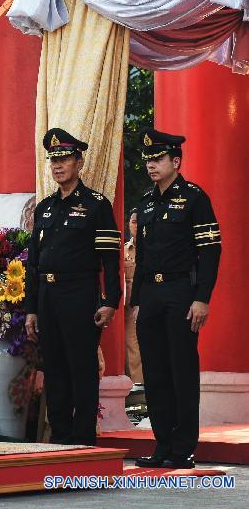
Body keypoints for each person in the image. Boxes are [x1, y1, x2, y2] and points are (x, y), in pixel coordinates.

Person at [24, 128, 121, 446]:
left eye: (64, 159)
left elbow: (110, 259)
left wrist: (109, 301)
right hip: (47, 296)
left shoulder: (96, 205)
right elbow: (33, 264)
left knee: (81, 365)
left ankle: (83, 438)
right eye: (53, 160)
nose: (58, 166)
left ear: (79, 162)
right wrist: (31, 309)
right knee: (54, 366)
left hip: (79, 294)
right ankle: (61, 436)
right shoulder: (45, 208)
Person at [132, 128, 221, 470]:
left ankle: (183, 448)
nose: (151, 166)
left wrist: (202, 298)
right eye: (148, 161)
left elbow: (210, 252)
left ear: (176, 161)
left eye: (158, 159)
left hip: (181, 293)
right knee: (154, 373)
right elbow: (142, 255)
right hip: (151, 295)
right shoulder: (147, 202)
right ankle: (163, 444)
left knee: (181, 370)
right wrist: (137, 299)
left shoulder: (195, 198)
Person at [123, 209, 144, 386]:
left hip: (151, 303)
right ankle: (137, 385)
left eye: (139, 221)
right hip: (130, 307)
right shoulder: (124, 251)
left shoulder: (153, 248)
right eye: (133, 221)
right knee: (132, 344)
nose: (136, 225)